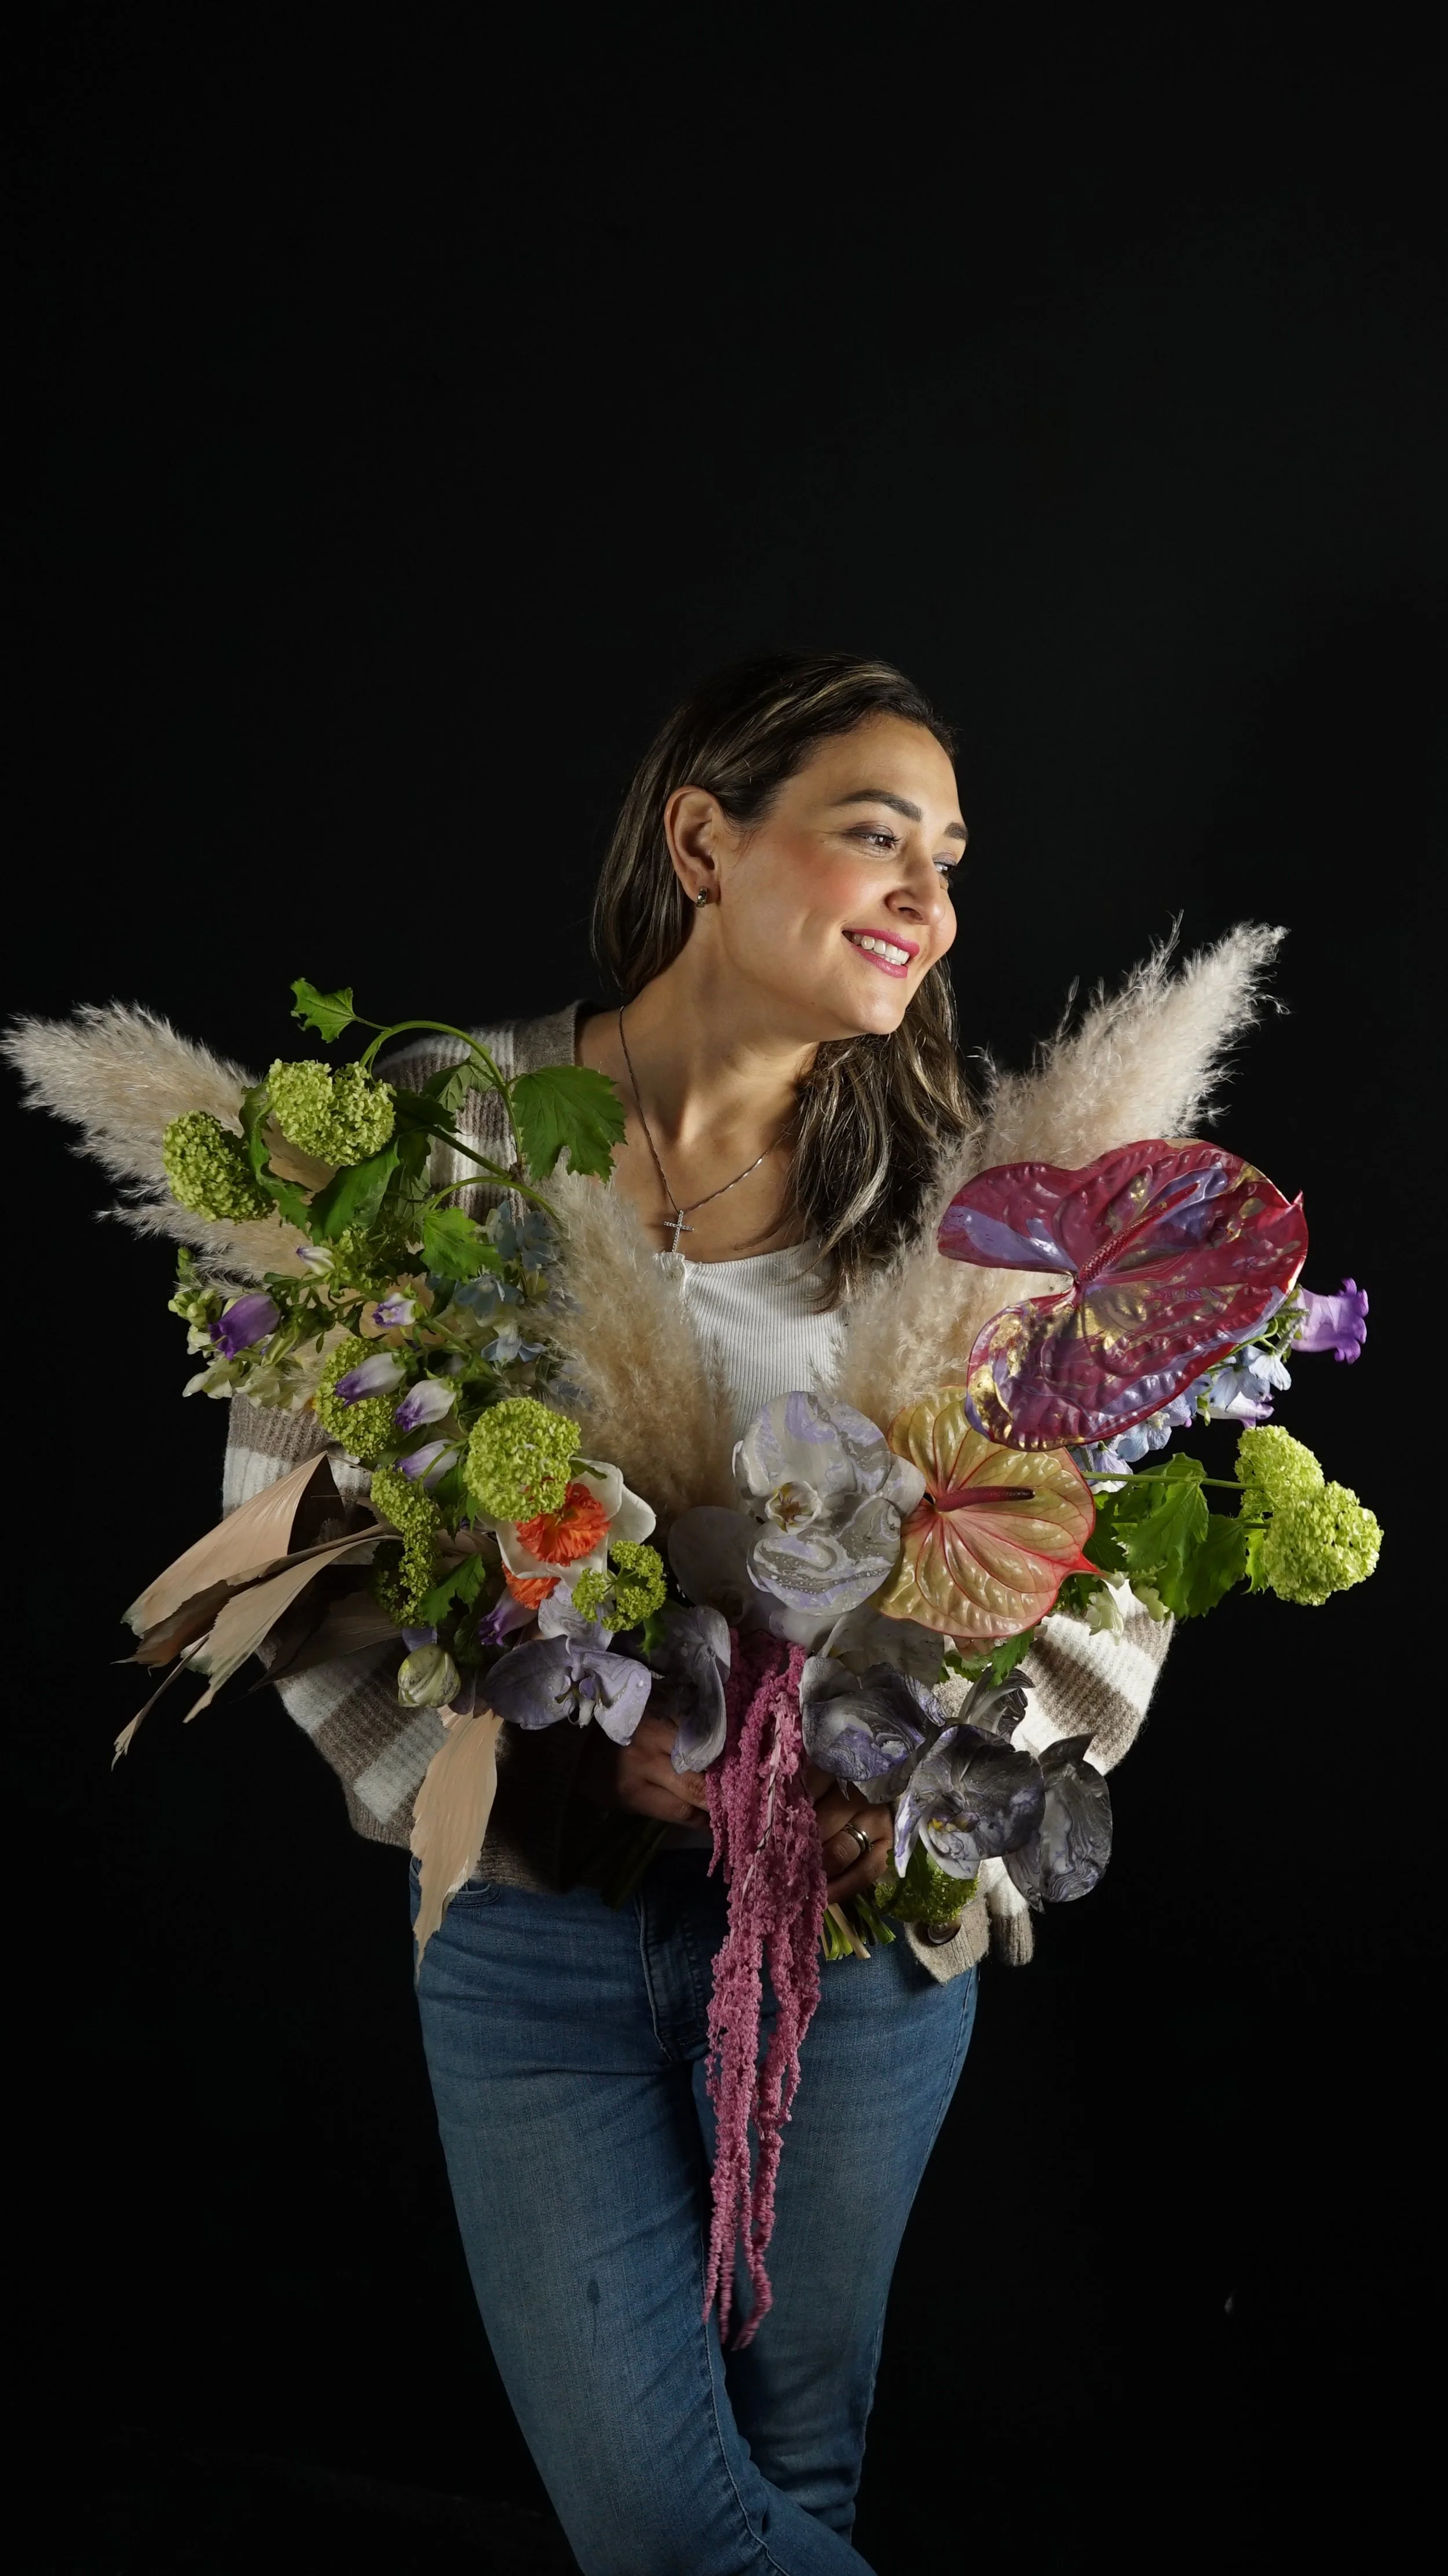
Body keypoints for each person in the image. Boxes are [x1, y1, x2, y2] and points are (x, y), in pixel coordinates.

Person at [222, 653, 1175, 2574]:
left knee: (794, 2472)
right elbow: (289, 1518)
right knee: (667, 2523)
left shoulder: (956, 1195)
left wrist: (907, 1783)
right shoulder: (457, 1125)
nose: (928, 894)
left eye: (951, 856)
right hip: (536, 1944)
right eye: (873, 834)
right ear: (699, 840)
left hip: (845, 1939)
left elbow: (1100, 1557)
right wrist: (558, 1754)